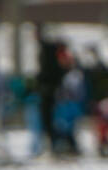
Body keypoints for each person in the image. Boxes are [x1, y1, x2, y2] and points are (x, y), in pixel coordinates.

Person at [35, 24, 65, 155]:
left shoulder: (49, 51)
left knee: (51, 120)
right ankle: (51, 144)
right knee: (46, 120)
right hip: (48, 90)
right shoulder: (50, 51)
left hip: (50, 91)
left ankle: (55, 144)